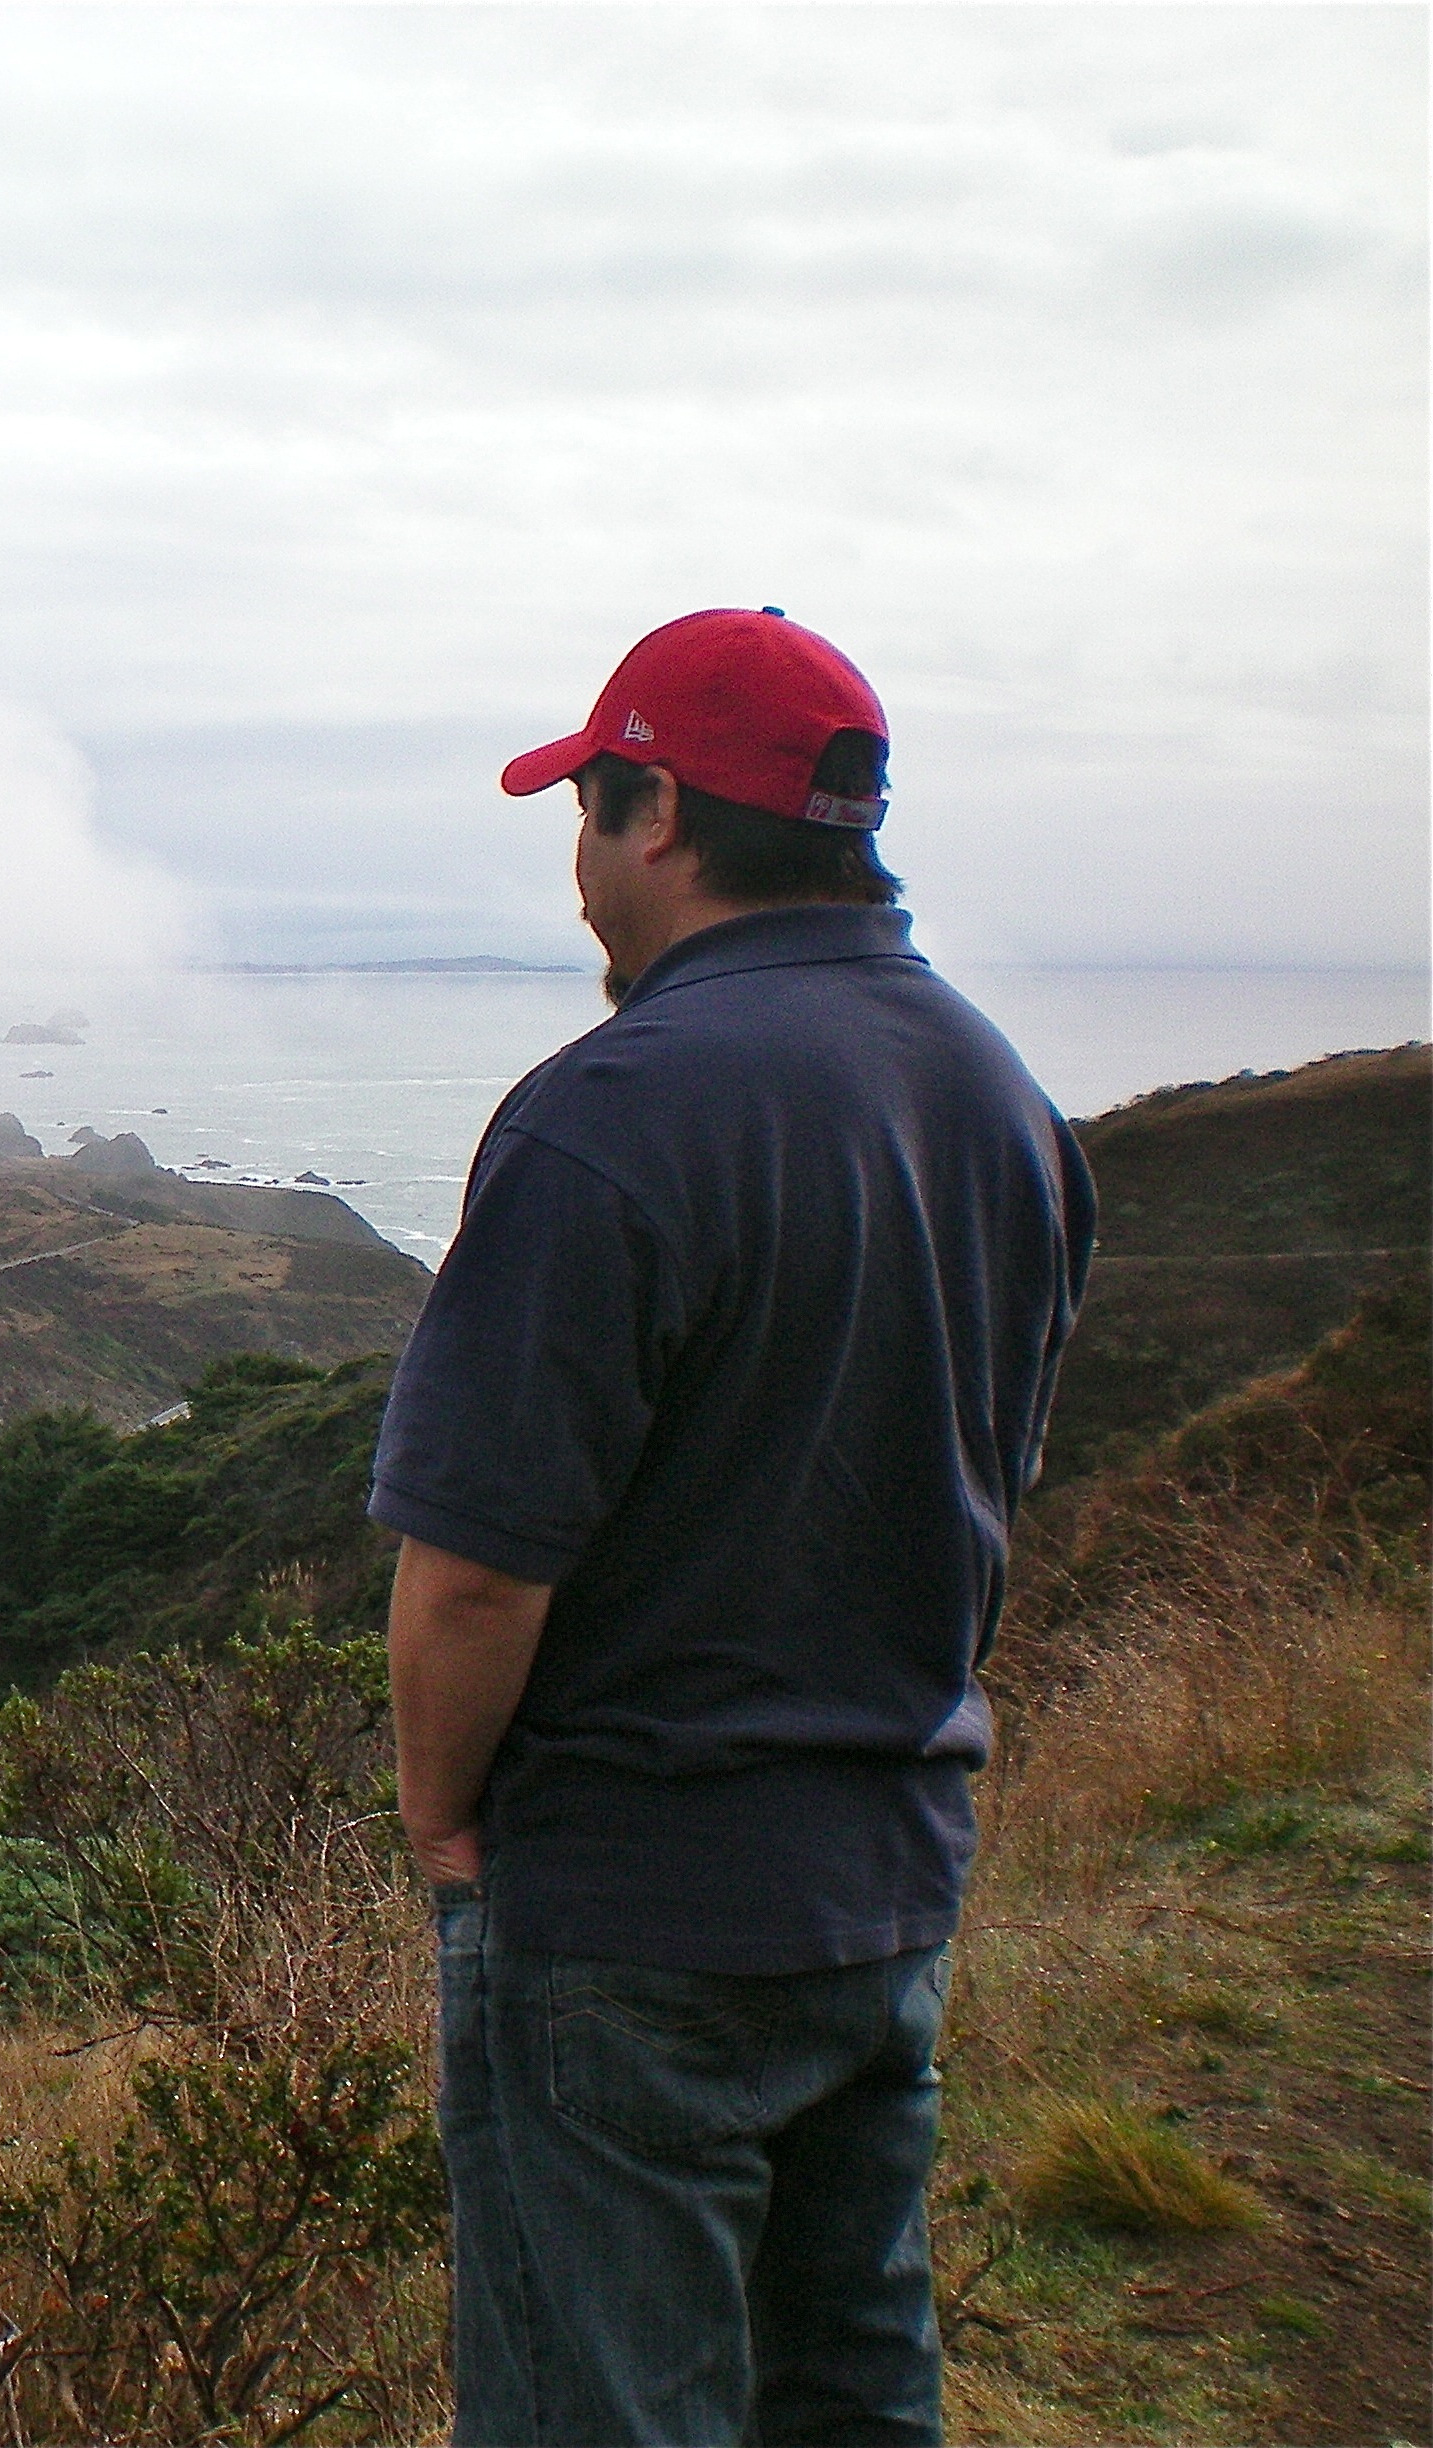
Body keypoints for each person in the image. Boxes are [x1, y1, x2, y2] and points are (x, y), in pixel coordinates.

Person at [367, 608, 1094, 2447]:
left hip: (629, 1912)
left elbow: (471, 1575)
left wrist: (446, 1823)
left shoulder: (609, 1116)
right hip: (885, 1884)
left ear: (661, 814)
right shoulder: (1004, 1099)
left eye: (592, 811)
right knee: (852, 2389)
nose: (584, 862)